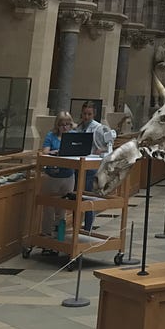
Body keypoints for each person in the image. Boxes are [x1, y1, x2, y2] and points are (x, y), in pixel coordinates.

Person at [40, 111, 75, 250]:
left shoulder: (73, 136)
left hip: (68, 175)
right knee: (49, 207)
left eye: (67, 124)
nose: (65, 127)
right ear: (57, 125)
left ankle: (59, 236)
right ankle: (46, 237)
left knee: (62, 208)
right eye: (62, 124)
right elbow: (45, 151)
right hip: (53, 176)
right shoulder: (51, 136)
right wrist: (53, 152)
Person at [73, 100, 103, 232]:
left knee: (88, 198)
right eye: (84, 114)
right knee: (76, 197)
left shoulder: (98, 128)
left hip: (91, 167)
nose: (86, 117)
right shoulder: (78, 127)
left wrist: (98, 151)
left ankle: (88, 228)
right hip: (78, 166)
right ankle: (76, 227)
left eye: (89, 114)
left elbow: (104, 146)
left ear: (94, 114)